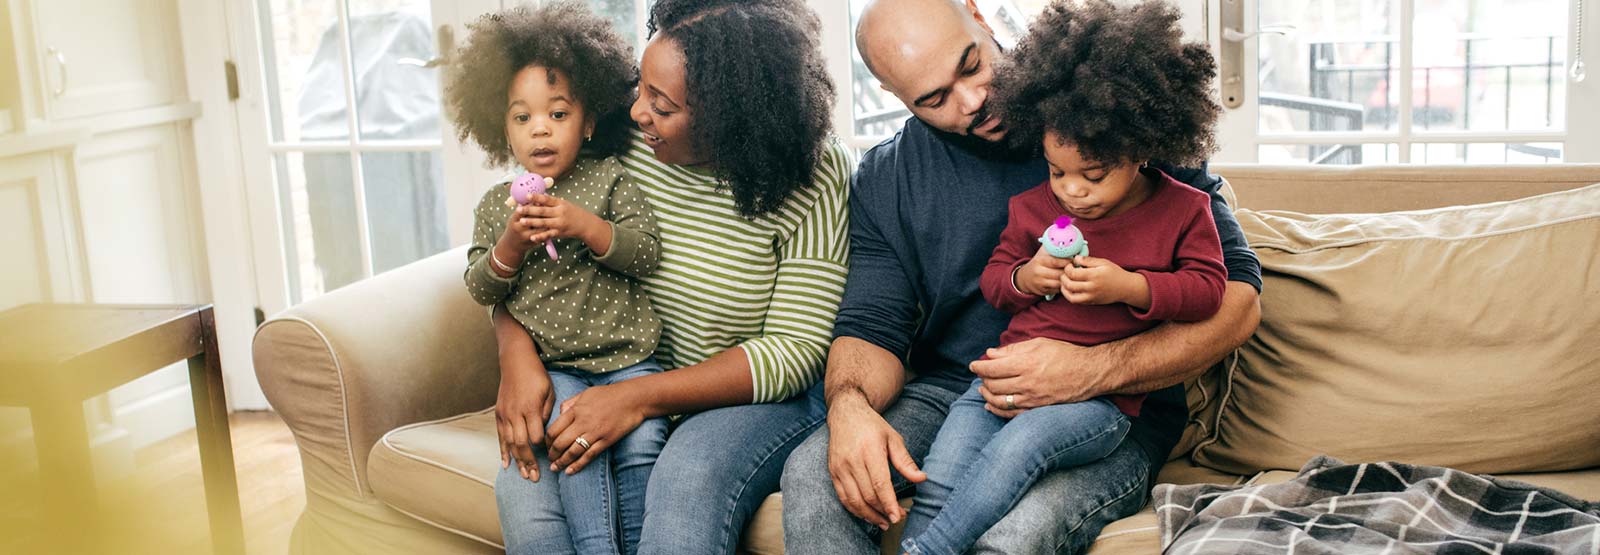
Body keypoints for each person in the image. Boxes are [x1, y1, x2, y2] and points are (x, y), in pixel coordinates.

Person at [780, 0, 1264, 552]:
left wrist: (1093, 369)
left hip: (1111, 407)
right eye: (935, 98)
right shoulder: (889, 177)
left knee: (1020, 531)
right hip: (958, 393)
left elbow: (1239, 302)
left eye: (970, 65)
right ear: (893, 94)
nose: (974, 100)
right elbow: (871, 324)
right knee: (814, 476)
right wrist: (849, 407)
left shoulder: (1113, 107)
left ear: (979, 16)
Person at [484, 0, 855, 553]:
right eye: (640, 89)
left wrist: (639, 397)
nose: (637, 113)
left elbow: (796, 350)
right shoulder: (612, 135)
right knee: (526, 486)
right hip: (599, 373)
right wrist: (516, 356)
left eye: (661, 106)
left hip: (742, 404)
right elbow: (523, 254)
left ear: (730, 120)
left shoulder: (815, 173)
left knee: (685, 482)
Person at [896, 2, 1228, 553]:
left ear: (1143, 150)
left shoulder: (1185, 210)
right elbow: (997, 283)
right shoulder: (1034, 207)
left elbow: (1210, 292)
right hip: (1000, 383)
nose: (1071, 191)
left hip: (1102, 405)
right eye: (1056, 171)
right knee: (944, 473)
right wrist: (1030, 276)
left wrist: (1131, 287)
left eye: (1092, 176)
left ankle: (929, 550)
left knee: (1016, 453)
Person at [446, 3, 664, 553]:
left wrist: (586, 226)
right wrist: (511, 246)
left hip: (631, 363)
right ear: (502, 129)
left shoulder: (611, 180)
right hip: (557, 368)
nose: (540, 129)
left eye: (558, 114)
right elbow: (481, 287)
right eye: (522, 118)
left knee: (643, 446)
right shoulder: (498, 207)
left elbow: (645, 254)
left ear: (588, 122)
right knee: (566, 441)